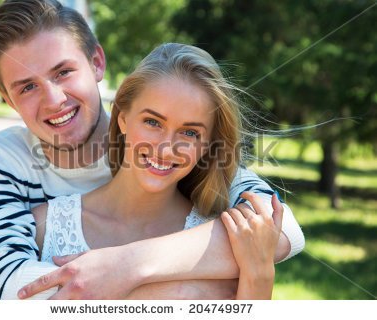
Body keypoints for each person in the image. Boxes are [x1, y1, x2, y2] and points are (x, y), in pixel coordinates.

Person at [0, 0, 304, 300]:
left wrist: (127, 266)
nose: (54, 100)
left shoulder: (164, 145)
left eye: (63, 72)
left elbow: (281, 228)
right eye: (27, 87)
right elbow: (6, 286)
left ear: (96, 62)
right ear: (7, 98)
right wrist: (195, 294)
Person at [28, 42, 284, 299]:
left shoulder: (228, 242)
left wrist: (260, 274)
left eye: (189, 132)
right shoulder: (44, 227)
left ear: (207, 145)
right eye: (152, 122)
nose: (165, 148)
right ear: (123, 119)